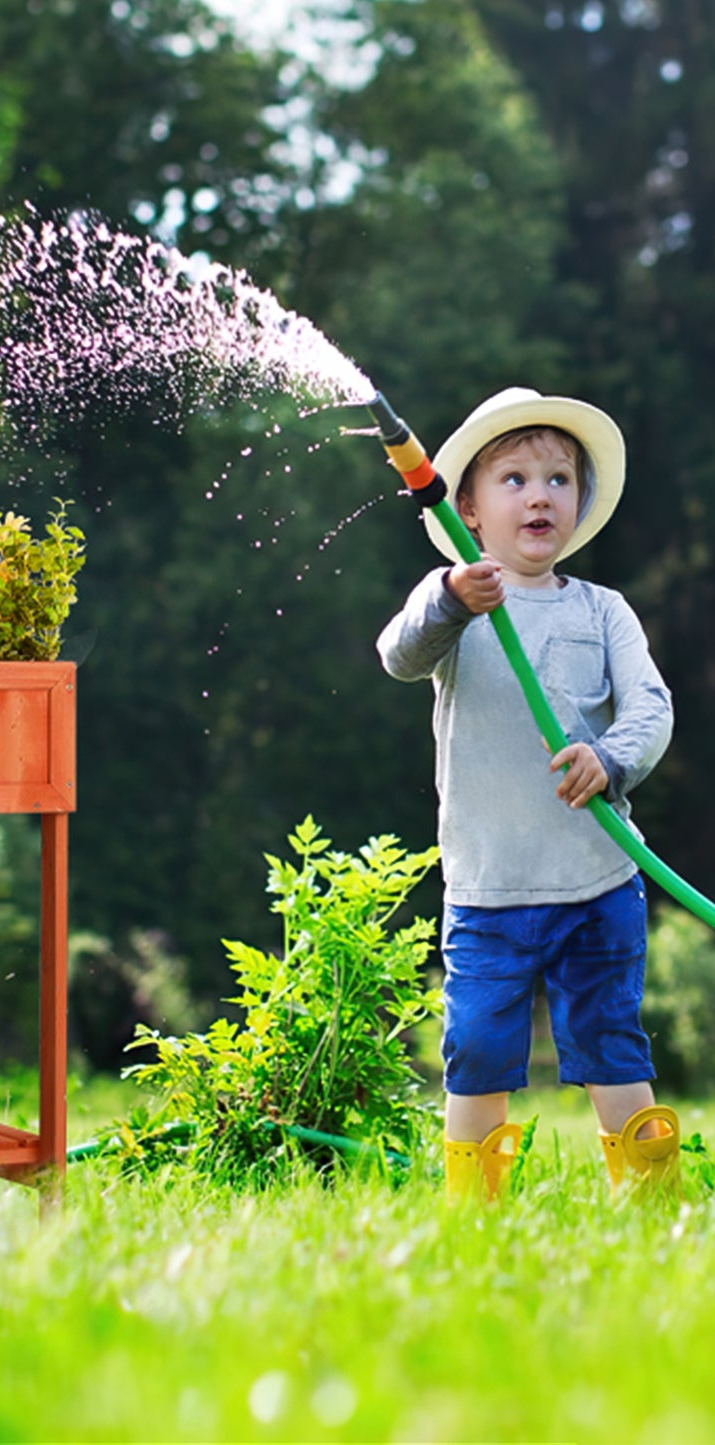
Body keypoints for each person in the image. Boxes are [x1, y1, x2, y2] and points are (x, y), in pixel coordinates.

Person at [377, 387, 680, 1203]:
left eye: (556, 478)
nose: (538, 494)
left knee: (611, 1042)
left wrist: (608, 759)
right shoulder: (450, 601)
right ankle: (473, 1208)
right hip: (487, 890)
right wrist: (450, 598)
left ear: (578, 503)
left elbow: (651, 707)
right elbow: (397, 656)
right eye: (513, 479)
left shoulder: (603, 610)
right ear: (468, 509)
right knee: (475, 1050)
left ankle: (652, 1200)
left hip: (595, 882)